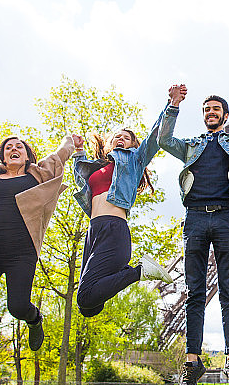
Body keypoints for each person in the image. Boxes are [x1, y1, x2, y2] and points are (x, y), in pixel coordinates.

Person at [159, 89, 229, 385]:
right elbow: (165, 139)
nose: (211, 112)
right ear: (203, 114)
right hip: (194, 217)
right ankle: (192, 362)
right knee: (194, 292)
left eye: (216, 109)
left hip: (226, 218)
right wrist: (174, 106)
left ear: (224, 114)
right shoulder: (192, 145)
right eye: (207, 109)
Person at [0, 119, 78, 353]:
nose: (13, 149)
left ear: (28, 156)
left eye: (19, 146)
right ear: (2, 157)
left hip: (21, 252)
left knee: (18, 307)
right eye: (8, 147)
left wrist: (71, 141)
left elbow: (59, 156)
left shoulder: (37, 175)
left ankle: (35, 319)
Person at [72, 89, 179, 318]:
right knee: (87, 308)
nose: (121, 138)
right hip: (94, 231)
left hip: (114, 229)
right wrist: (79, 152)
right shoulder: (97, 167)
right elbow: (81, 180)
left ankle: (140, 271)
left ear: (133, 145)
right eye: (116, 137)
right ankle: (132, 273)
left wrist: (172, 104)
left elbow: (155, 137)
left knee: (85, 296)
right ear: (110, 143)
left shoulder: (134, 160)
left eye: (127, 137)